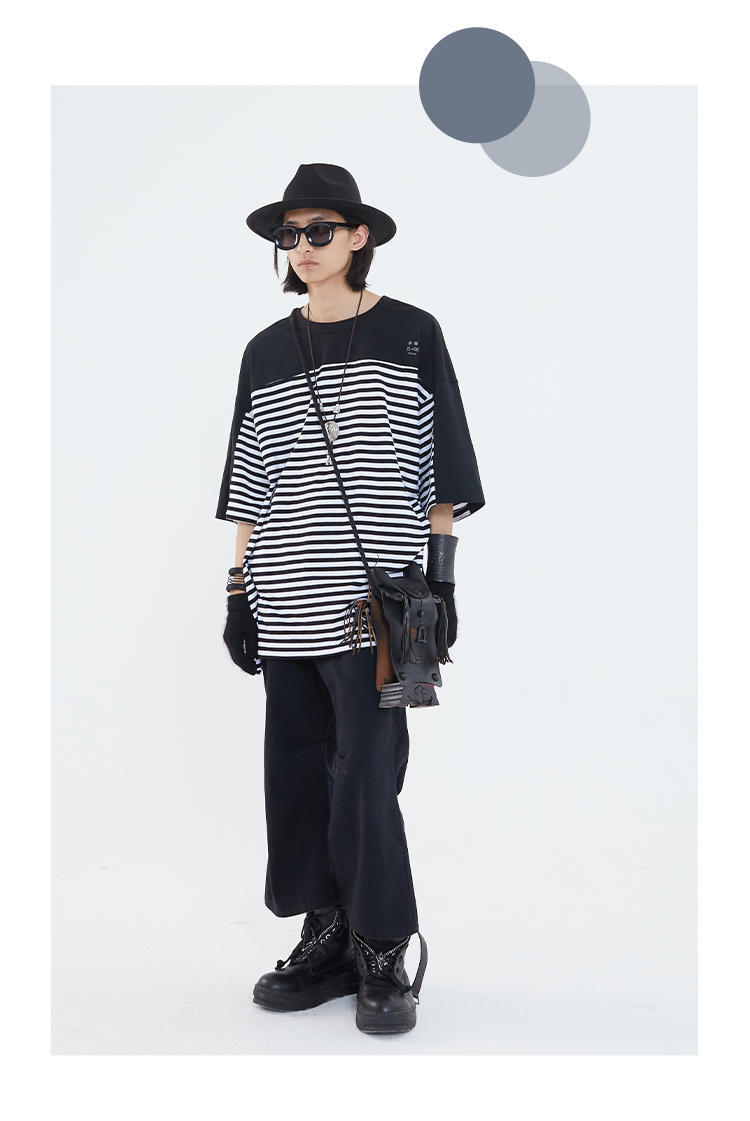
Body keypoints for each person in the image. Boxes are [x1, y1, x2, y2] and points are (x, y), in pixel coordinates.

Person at [215, 163, 484, 1034]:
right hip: (285, 596)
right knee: (296, 768)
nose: (302, 246)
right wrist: (238, 591)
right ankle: (325, 934)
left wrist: (442, 580)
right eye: (288, 235)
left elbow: (442, 464)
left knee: (368, 771)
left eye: (319, 230)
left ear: (359, 236)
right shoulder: (264, 350)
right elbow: (250, 478)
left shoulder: (412, 332)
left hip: (378, 605)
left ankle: (380, 944)